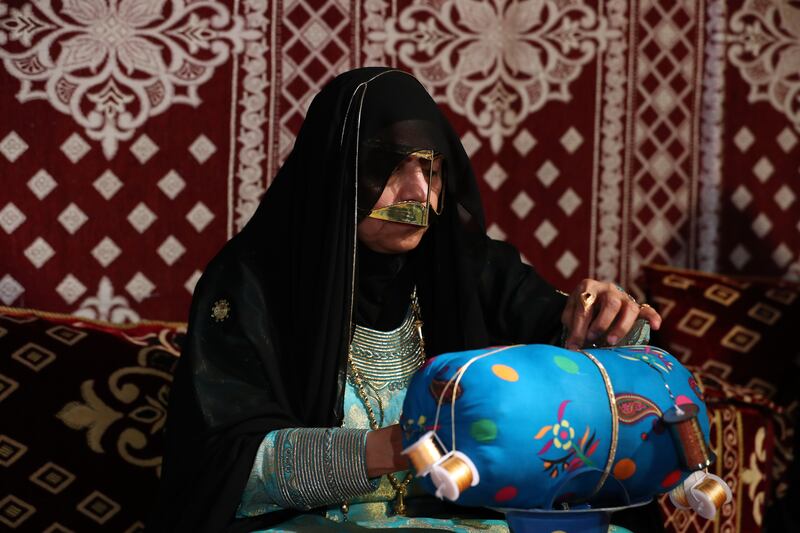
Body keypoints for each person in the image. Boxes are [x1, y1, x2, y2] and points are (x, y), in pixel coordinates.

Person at [149, 68, 662, 532]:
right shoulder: (251, 283)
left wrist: (610, 322)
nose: (419, 193)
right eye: (391, 167)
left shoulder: (466, 267)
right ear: (338, 172)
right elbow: (224, 466)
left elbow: (566, 333)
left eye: (432, 169)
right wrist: (395, 447)